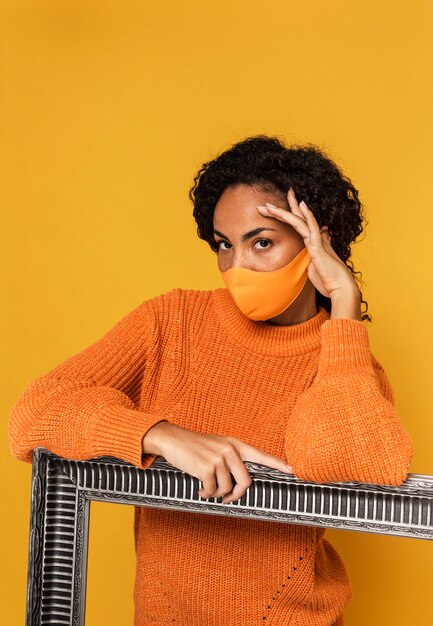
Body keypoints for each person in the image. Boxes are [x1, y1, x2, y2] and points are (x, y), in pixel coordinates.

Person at [8, 135, 414, 626]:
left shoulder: (346, 364)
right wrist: (162, 435)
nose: (237, 266)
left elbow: (359, 467)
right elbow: (32, 415)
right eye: (224, 244)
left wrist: (344, 312)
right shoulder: (172, 321)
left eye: (261, 242)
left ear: (316, 243)